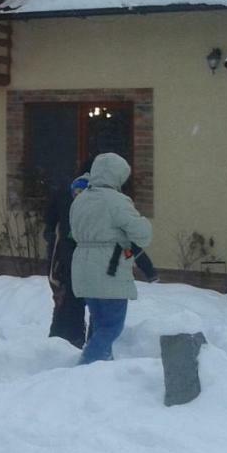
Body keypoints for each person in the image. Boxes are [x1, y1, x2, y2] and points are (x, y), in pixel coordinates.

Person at [69, 153, 152, 365]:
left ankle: (103, 368)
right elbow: (142, 233)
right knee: (111, 327)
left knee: (99, 321)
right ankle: (87, 365)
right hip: (109, 267)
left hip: (82, 267)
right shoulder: (116, 201)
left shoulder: (81, 199)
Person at [44, 173, 90, 348]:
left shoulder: (85, 210)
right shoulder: (67, 207)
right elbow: (52, 232)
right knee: (68, 304)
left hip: (75, 264)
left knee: (73, 304)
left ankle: (70, 340)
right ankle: (66, 341)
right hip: (66, 265)